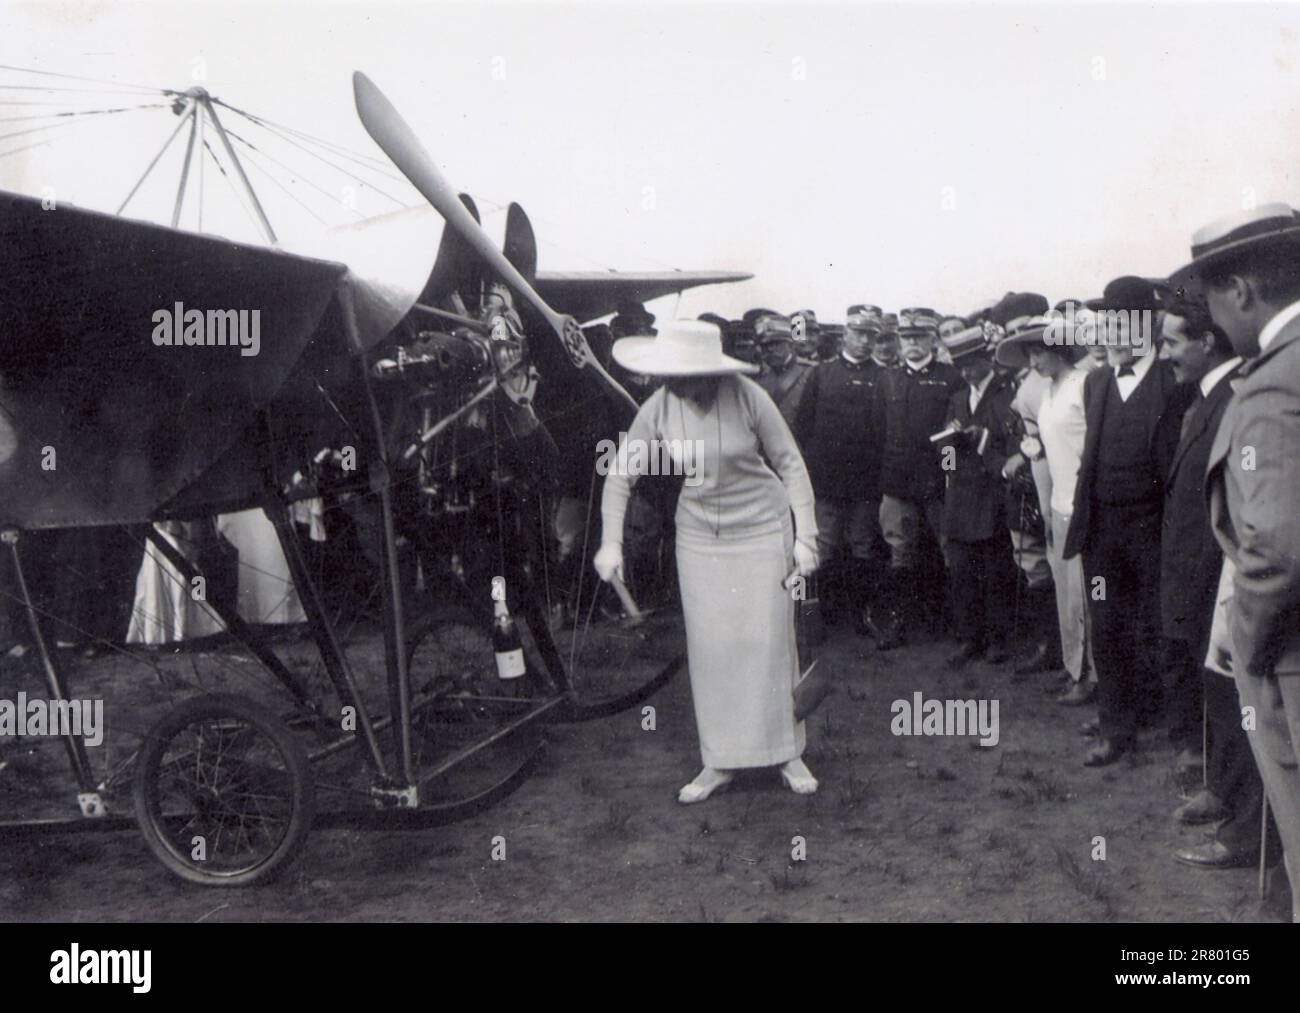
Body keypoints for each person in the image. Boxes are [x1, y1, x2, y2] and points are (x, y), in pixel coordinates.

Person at [594, 320, 820, 803]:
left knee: (767, 641)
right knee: (713, 648)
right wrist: (610, 542)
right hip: (698, 538)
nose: (675, 386)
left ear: (711, 372)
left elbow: (790, 464)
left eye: (685, 376)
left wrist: (807, 538)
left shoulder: (748, 396)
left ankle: (786, 751)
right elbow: (619, 475)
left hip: (763, 528)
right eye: (669, 377)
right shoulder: (658, 407)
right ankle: (719, 759)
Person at [1175, 203, 1300, 918]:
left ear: (1244, 289)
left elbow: (1277, 546)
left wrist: (1245, 640)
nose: (1215, 320)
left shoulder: (1277, 379)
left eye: (1214, 299)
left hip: (1288, 654)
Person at [1153, 294, 1274, 869]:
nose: (1164, 353)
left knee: (1238, 700)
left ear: (1207, 342)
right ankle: (1224, 791)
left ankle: (1249, 833)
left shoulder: (1237, 398)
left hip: (1220, 576)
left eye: (1173, 341)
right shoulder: (1205, 397)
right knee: (1218, 696)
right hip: (1199, 574)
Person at [1064, 276, 1195, 766]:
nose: (1111, 335)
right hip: (1103, 535)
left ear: (1148, 325)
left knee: (1165, 631)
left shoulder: (1174, 382)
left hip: (1154, 534)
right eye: (1106, 325)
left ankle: (1185, 737)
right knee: (1107, 626)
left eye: (1121, 324)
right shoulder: (1096, 381)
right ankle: (1117, 727)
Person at [996, 313, 1096, 703]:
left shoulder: (1083, 384)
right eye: (1030, 355)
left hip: (1081, 505)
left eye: (1039, 353)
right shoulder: (1048, 391)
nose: (1034, 363)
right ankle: (1075, 669)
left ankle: (1093, 677)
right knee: (1065, 594)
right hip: (1058, 504)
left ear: (1058, 350)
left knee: (1087, 596)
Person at [874, 307, 964, 648]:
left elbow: (955, 434)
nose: (911, 343)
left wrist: (949, 475)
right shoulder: (888, 379)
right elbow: (876, 430)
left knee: (949, 551)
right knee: (900, 553)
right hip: (897, 482)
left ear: (932, 340)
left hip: (938, 482)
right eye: (906, 337)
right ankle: (900, 623)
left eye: (918, 337)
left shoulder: (950, 377)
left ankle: (957, 624)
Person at [795, 310, 888, 633]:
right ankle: (821, 616)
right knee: (824, 546)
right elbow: (803, 427)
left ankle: (862, 615)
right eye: (859, 334)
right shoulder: (822, 374)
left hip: (865, 481)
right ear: (845, 334)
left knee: (863, 545)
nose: (865, 342)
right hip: (827, 480)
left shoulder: (884, 376)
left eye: (871, 336)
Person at [934, 324, 1018, 666]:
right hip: (961, 495)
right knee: (963, 573)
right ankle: (970, 637)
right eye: (961, 366)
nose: (966, 372)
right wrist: (948, 451)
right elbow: (946, 454)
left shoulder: (1005, 394)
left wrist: (982, 437)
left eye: (971, 364)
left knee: (995, 571)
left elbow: (1011, 444)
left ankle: (998, 639)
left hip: (992, 495)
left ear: (986, 359)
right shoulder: (957, 397)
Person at [755, 315, 814, 430]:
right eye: (765, 346)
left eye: (776, 344)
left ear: (790, 344)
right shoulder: (757, 376)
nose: (770, 350)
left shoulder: (811, 373)